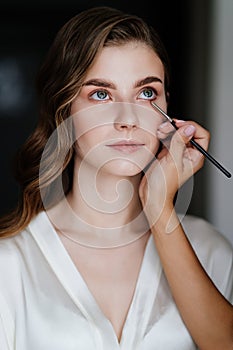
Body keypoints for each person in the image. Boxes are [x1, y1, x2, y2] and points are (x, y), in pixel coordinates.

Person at [0, 6, 232, 350]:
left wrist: (159, 208)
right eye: (101, 94)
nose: (128, 119)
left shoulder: (210, 250)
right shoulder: (11, 264)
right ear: (64, 110)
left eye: (147, 93)